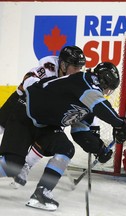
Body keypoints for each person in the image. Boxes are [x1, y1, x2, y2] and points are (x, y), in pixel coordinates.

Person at [13, 62, 126, 211]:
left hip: (44, 123)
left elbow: (79, 133)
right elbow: (101, 106)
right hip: (26, 111)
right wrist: (120, 124)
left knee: (65, 148)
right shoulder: (85, 81)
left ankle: (41, 193)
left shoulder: (90, 99)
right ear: (103, 81)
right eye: (108, 88)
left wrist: (99, 148)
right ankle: (31, 174)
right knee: (8, 160)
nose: (107, 92)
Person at [0, 45, 86, 187]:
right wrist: (47, 88)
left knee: (51, 133)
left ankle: (25, 166)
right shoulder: (48, 67)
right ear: (63, 65)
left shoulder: (73, 79)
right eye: (75, 67)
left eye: (80, 68)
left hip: (42, 114)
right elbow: (28, 79)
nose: (77, 71)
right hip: (20, 103)